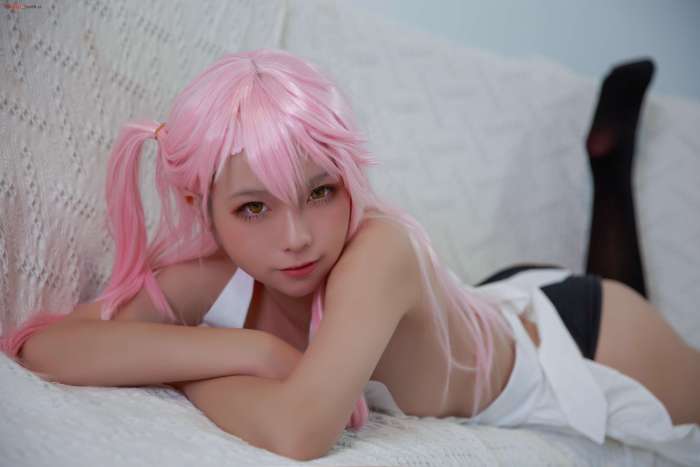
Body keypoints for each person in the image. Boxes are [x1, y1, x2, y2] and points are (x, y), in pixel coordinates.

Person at [0, 49, 698, 463]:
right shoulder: (218, 278)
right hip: (484, 307)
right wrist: (247, 351)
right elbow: (48, 349)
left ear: (348, 176)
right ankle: (610, 170)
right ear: (200, 206)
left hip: (585, 337)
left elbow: (298, 430)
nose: (296, 237)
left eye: (321, 192)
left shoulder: (377, 251)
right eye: (254, 208)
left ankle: (609, 171)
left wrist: (183, 363)